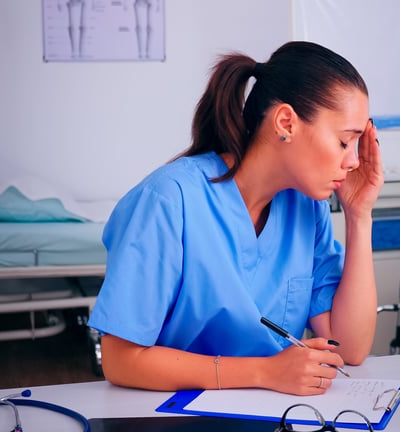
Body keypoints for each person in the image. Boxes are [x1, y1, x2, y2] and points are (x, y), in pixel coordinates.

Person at [87, 40, 383, 396]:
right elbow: (120, 360)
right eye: (343, 142)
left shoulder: (307, 207)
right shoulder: (168, 200)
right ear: (286, 122)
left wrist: (359, 215)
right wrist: (265, 372)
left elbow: (349, 348)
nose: (353, 161)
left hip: (274, 412)